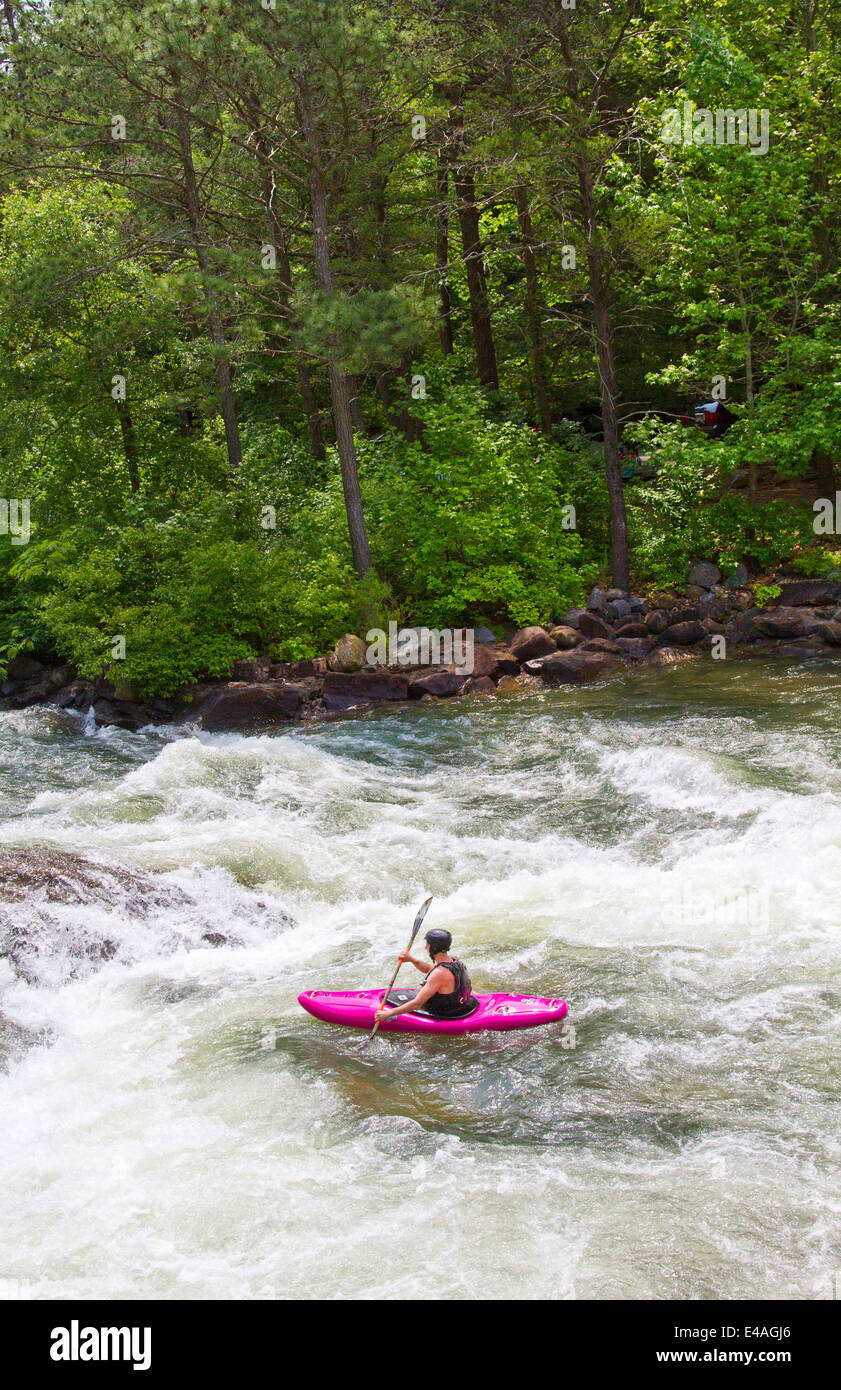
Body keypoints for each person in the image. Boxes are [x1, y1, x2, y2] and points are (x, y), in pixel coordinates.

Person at [374, 928, 475, 1023]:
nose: (425, 947)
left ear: (434, 948)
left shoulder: (439, 974)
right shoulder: (453, 960)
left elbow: (417, 1003)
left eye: (428, 944)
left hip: (446, 1013)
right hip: (461, 1005)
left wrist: (388, 1013)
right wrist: (412, 960)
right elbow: (429, 969)